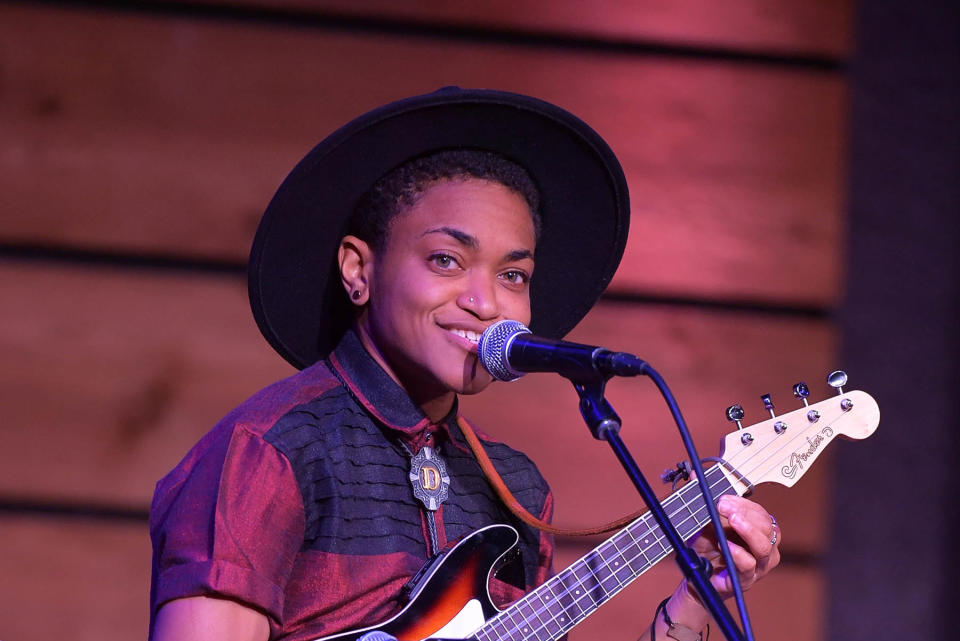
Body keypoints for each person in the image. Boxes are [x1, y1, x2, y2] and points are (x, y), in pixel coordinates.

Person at [149, 88, 781, 641]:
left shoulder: (518, 491)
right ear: (358, 270)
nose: (485, 303)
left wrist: (699, 595)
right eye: (446, 260)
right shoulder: (268, 452)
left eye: (513, 274)